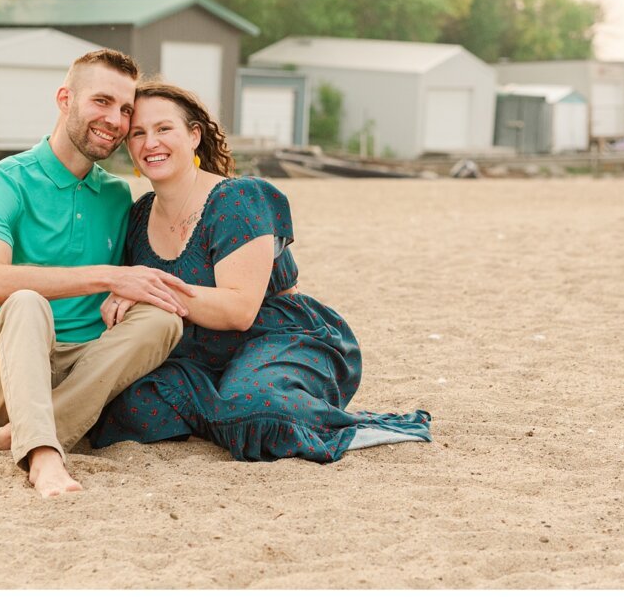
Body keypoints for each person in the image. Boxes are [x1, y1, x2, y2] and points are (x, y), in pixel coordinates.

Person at [88, 82, 431, 462]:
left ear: (194, 135)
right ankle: (224, 413)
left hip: (276, 336)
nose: (151, 142)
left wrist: (146, 286)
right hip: (193, 353)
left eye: (164, 129)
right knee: (129, 408)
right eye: (138, 133)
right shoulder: (138, 216)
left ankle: (301, 416)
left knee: (257, 408)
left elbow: (239, 310)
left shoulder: (238, 199)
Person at [0, 50, 194, 497]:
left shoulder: (115, 195)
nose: (115, 119)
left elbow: (126, 286)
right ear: (65, 98)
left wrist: (125, 291)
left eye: (125, 109)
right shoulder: (3, 180)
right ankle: (43, 456)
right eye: (102, 101)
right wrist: (107, 277)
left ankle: (10, 437)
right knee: (27, 300)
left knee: (163, 318)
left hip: (78, 372)